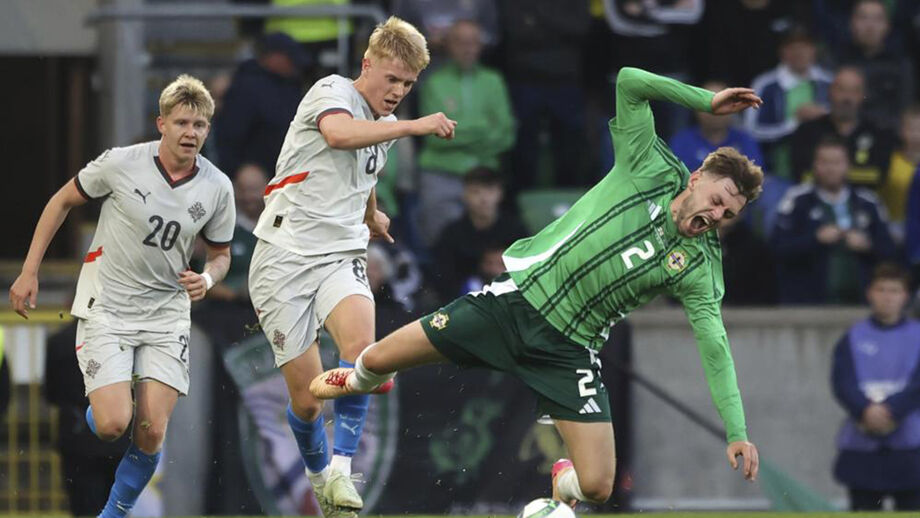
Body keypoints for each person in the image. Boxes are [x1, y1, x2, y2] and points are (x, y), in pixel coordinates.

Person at [310, 67, 762, 506]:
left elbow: (714, 345)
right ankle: (360, 376)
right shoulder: (651, 165)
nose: (717, 216)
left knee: (599, 486)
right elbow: (627, 80)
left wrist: (737, 429)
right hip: (515, 304)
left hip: (569, 351)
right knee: (378, 360)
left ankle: (561, 486)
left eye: (728, 216)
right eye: (718, 200)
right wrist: (706, 102)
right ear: (697, 178)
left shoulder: (700, 265)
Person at [247, 16, 456, 518]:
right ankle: (319, 477)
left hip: (342, 252)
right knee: (307, 403)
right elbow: (340, 137)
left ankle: (342, 469)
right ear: (368, 64)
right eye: (392, 79)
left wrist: (371, 213)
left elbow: (364, 168)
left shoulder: (383, 126)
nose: (398, 92)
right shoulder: (330, 91)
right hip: (283, 256)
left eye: (408, 86)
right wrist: (416, 125)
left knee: (364, 351)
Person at [9, 75, 235, 518]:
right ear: (161, 124)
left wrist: (207, 280)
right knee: (114, 425)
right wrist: (29, 270)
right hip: (108, 307)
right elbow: (60, 201)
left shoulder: (217, 187)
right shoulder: (119, 164)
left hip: (167, 314)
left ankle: (112, 514)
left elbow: (221, 255)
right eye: (183, 122)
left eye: (201, 125)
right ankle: (107, 405)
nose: (192, 133)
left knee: (151, 432)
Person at [415, 19, 515, 246]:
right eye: (460, 42)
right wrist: (482, 129)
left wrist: (458, 133)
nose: (467, 48)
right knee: (440, 242)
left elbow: (506, 133)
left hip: (483, 172)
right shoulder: (434, 83)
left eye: (473, 42)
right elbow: (434, 138)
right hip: (443, 173)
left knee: (489, 243)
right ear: (448, 45)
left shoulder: (494, 81)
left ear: (481, 46)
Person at [831, 263, 920, 511]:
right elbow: (842, 383)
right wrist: (866, 411)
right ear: (870, 293)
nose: (887, 297)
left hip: (910, 444)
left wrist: (892, 410)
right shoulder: (853, 337)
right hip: (862, 444)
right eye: (881, 289)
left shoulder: (916, 335)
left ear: (905, 295)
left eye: (894, 290)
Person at [771, 136, 895, 304]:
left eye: (837, 162)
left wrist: (867, 245)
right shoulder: (796, 200)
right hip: (808, 303)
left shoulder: (868, 202)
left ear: (848, 165)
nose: (831, 169)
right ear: (814, 164)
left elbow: (891, 252)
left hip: (862, 305)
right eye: (825, 162)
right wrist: (815, 239)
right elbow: (777, 248)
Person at [214, 32, 310, 177]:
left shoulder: (290, 85)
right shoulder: (247, 87)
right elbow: (231, 134)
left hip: (283, 172)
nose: (294, 65)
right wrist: (236, 170)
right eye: (289, 58)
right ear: (273, 57)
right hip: (253, 177)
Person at [431, 167, 528, 302]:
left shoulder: (516, 230)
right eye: (476, 192)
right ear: (464, 195)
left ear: (500, 193)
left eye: (490, 191)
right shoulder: (452, 234)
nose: (484, 199)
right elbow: (443, 279)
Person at [790, 66, 895, 188]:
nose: (847, 98)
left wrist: (830, 174)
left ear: (863, 95)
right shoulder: (807, 131)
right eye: (841, 90)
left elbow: (878, 176)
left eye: (854, 91)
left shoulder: (879, 133)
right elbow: (802, 175)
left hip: (863, 203)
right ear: (830, 92)